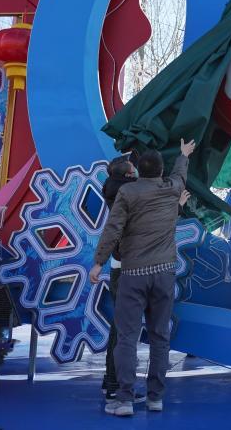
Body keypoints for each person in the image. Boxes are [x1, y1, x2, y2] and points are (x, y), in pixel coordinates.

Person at [91, 139, 196, 417]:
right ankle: (155, 398)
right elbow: (180, 175)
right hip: (163, 273)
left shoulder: (128, 192)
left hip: (133, 274)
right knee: (160, 337)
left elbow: (113, 229)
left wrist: (99, 262)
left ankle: (125, 399)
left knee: (127, 337)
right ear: (160, 171)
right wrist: (183, 154)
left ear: (139, 170)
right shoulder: (172, 188)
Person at [99, 154, 137, 400]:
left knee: (120, 326)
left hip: (118, 266)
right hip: (127, 267)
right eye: (133, 166)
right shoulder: (128, 196)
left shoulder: (116, 192)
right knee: (123, 329)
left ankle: (111, 379)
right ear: (128, 174)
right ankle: (115, 382)